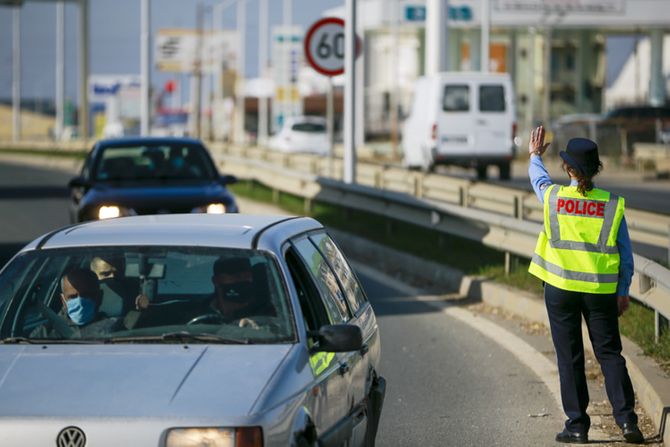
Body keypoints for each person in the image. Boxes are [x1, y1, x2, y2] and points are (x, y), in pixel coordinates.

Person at [527, 126, 643, 444]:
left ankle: (577, 426)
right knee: (609, 354)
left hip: (561, 290)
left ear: (568, 168)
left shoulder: (554, 197)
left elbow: (538, 180)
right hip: (601, 292)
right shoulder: (610, 204)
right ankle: (627, 421)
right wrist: (622, 291)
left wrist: (534, 155)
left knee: (570, 358)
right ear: (596, 169)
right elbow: (626, 256)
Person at [31, 268, 120, 338]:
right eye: (72, 297)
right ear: (63, 300)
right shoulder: (44, 333)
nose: (80, 302)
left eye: (86, 295)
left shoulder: (116, 328)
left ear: (99, 297)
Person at [193, 256, 275, 328]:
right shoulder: (199, 312)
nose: (241, 281)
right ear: (216, 281)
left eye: (246, 276)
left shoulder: (264, 310)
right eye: (236, 276)